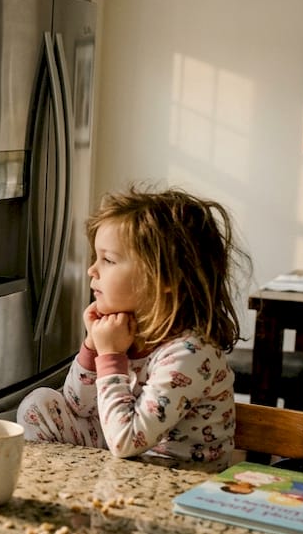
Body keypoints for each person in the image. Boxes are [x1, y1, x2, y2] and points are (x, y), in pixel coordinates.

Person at [16, 185, 250, 471]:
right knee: (40, 404)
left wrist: (112, 357)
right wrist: (93, 347)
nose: (92, 270)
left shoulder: (190, 353)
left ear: (164, 278)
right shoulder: (124, 330)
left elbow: (127, 440)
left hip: (174, 485)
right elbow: (78, 405)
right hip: (126, 461)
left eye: (108, 260)